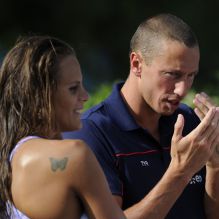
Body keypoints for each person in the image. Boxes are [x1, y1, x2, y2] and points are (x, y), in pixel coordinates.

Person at [63, 13, 219, 219]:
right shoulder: (91, 132)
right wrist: (180, 172)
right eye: (173, 75)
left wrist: (215, 166)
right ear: (136, 64)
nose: (183, 90)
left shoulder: (191, 122)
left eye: (191, 76)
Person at [0, 35, 127, 219]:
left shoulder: (11, 155)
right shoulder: (74, 154)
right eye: (73, 88)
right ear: (40, 96)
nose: (85, 96)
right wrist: (176, 174)